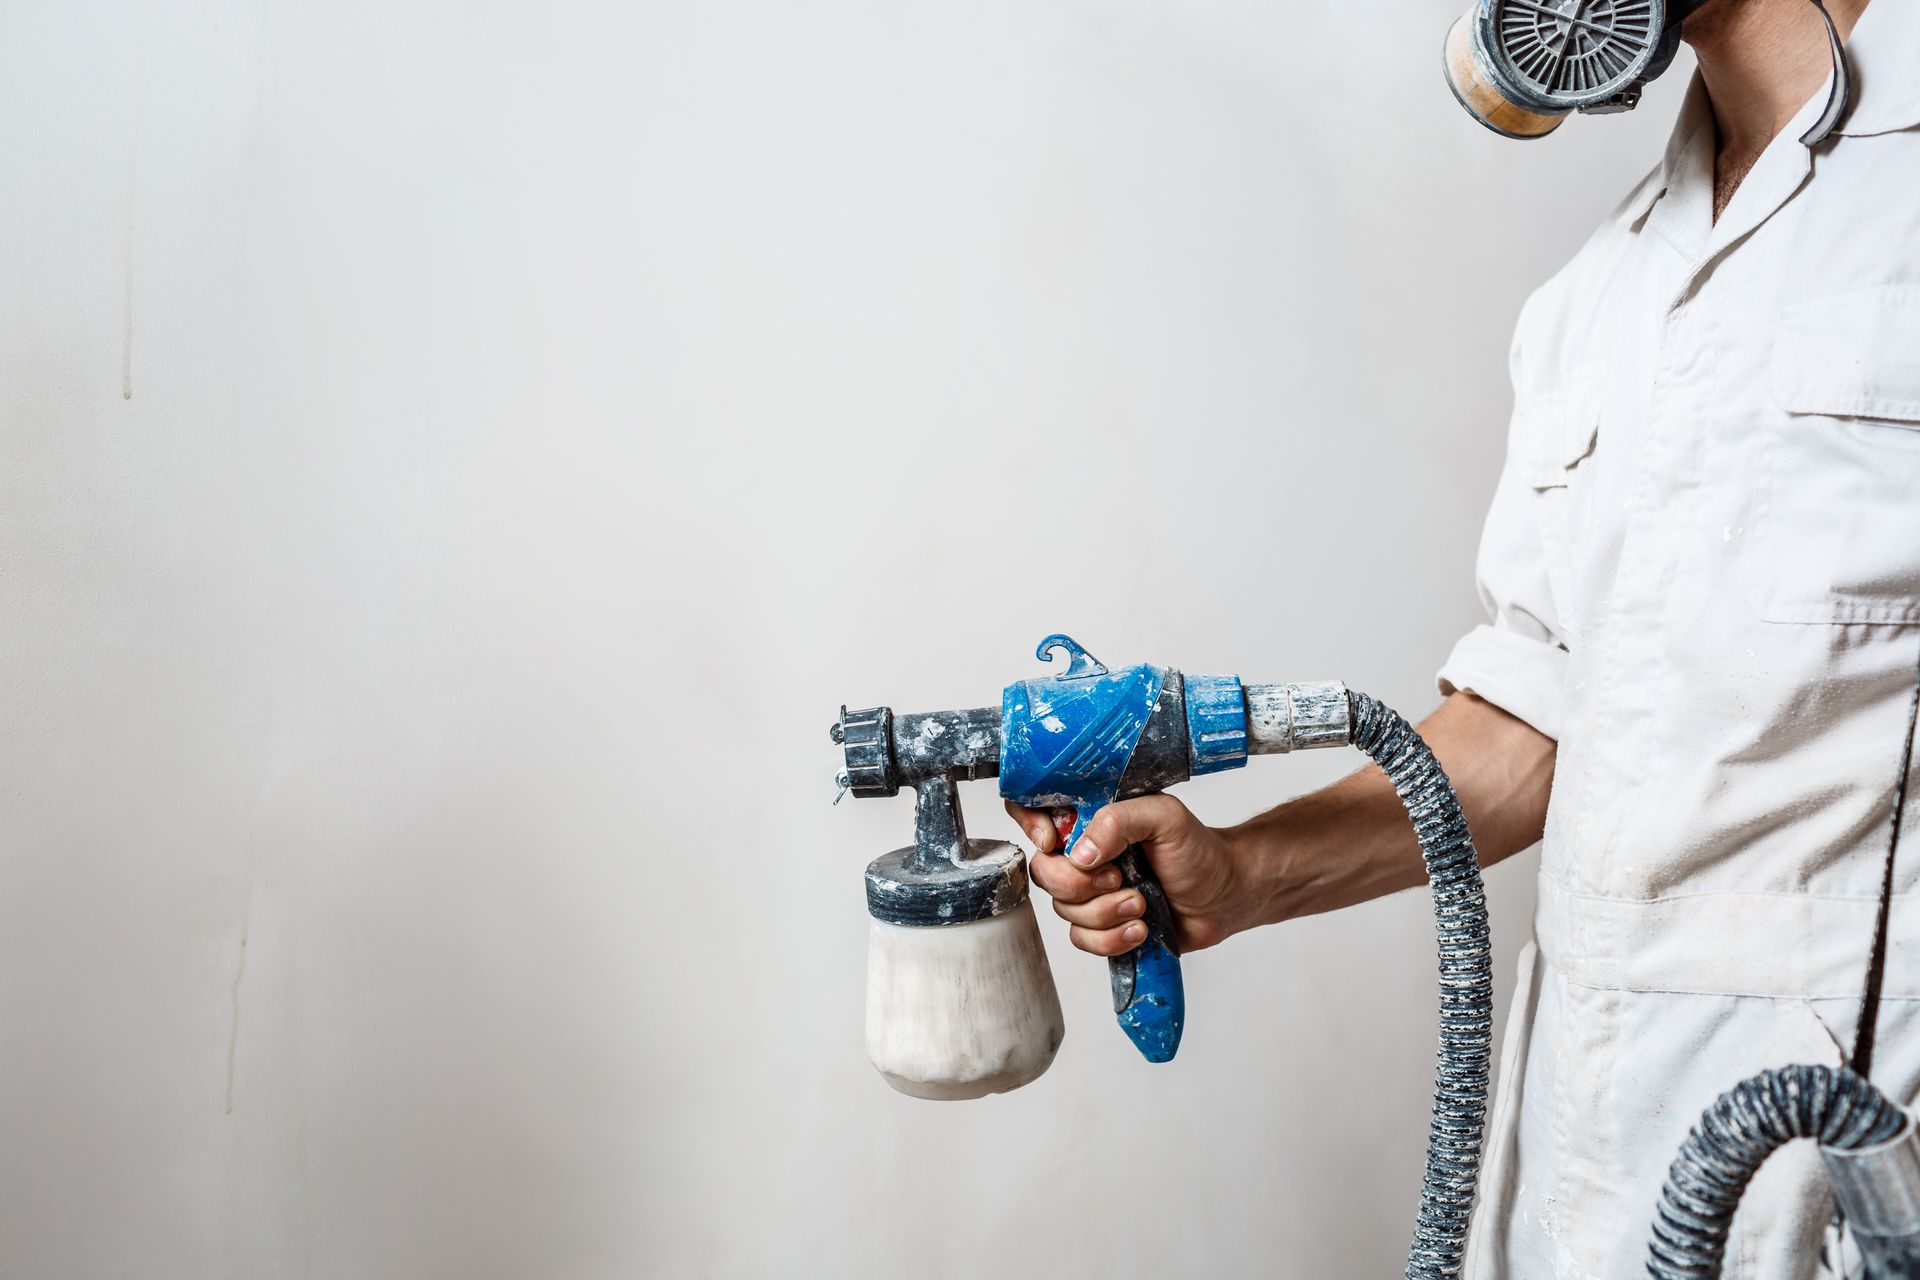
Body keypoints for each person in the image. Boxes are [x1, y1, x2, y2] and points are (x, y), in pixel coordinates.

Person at [1008, 0, 1920, 1273]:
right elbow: (1537, 717)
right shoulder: (1597, 298)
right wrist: (1245, 868)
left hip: (1868, 1159)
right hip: (1583, 1149)